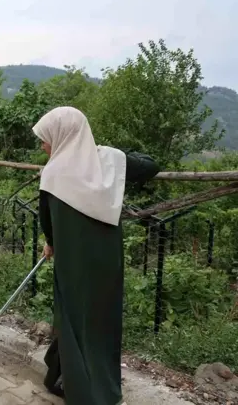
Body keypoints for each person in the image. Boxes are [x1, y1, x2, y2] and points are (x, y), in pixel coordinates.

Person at [32, 106, 160, 405]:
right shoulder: (110, 161)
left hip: (73, 265)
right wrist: (115, 152)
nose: (42, 145)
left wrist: (51, 243)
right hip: (106, 262)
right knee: (101, 320)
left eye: (45, 138)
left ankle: (82, 391)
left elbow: (47, 222)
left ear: (63, 136)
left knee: (73, 319)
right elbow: (151, 165)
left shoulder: (51, 175)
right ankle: (94, 384)